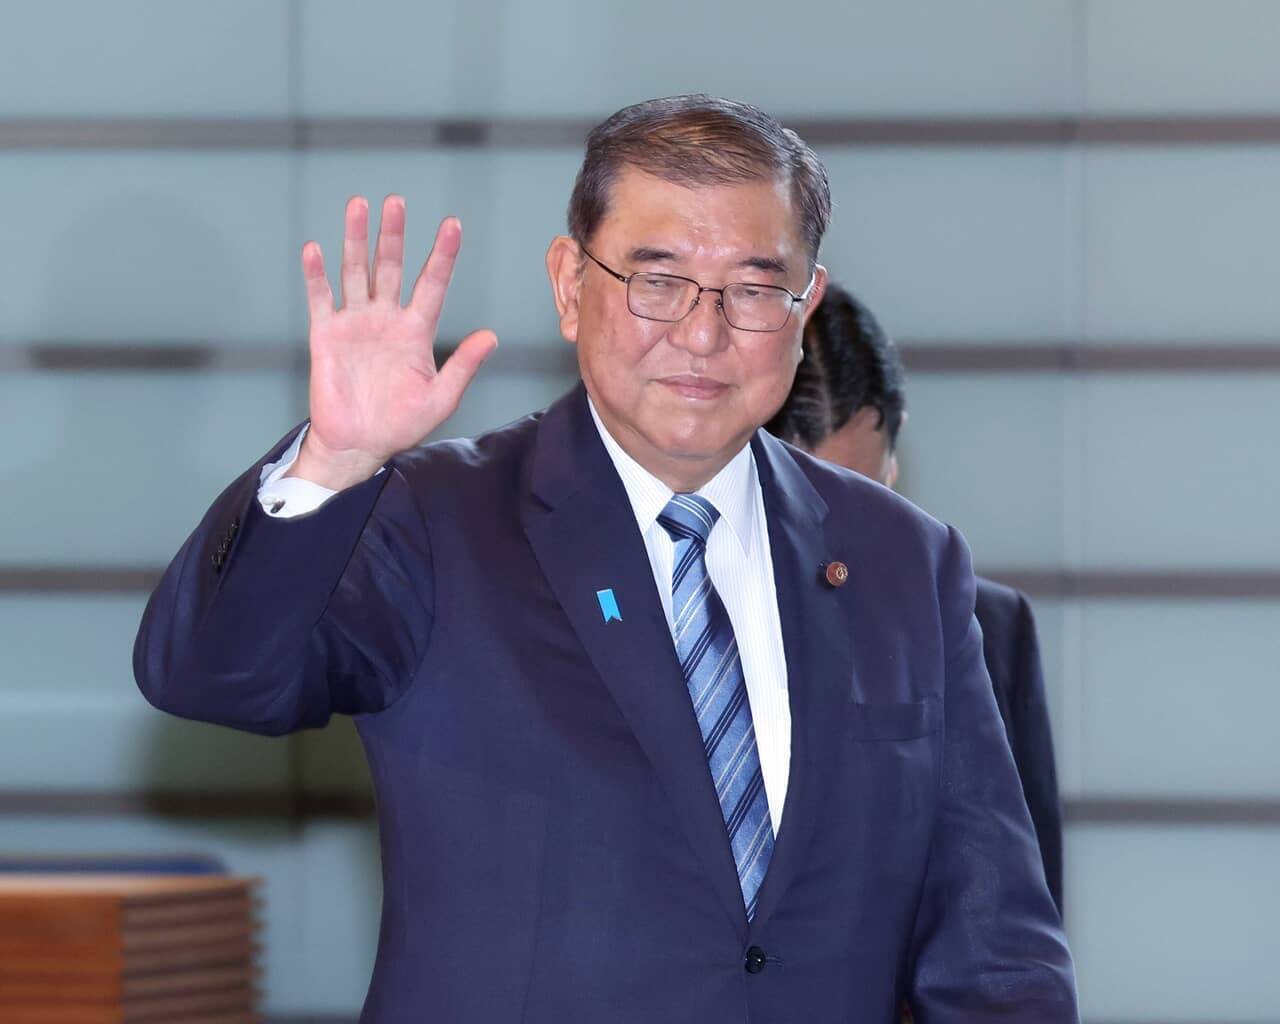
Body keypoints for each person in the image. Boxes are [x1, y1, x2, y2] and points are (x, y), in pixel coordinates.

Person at [135, 95, 1077, 1022]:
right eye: (657, 281)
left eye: (753, 290)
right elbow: (216, 678)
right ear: (569, 285)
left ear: (806, 305)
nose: (702, 334)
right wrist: (337, 460)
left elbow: (995, 951)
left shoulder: (901, 558)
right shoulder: (437, 521)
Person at [766, 283, 1065, 914]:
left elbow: (1025, 914)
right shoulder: (688, 621)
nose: (835, 544)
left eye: (864, 499)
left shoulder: (989, 630)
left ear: (895, 455)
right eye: (805, 509)